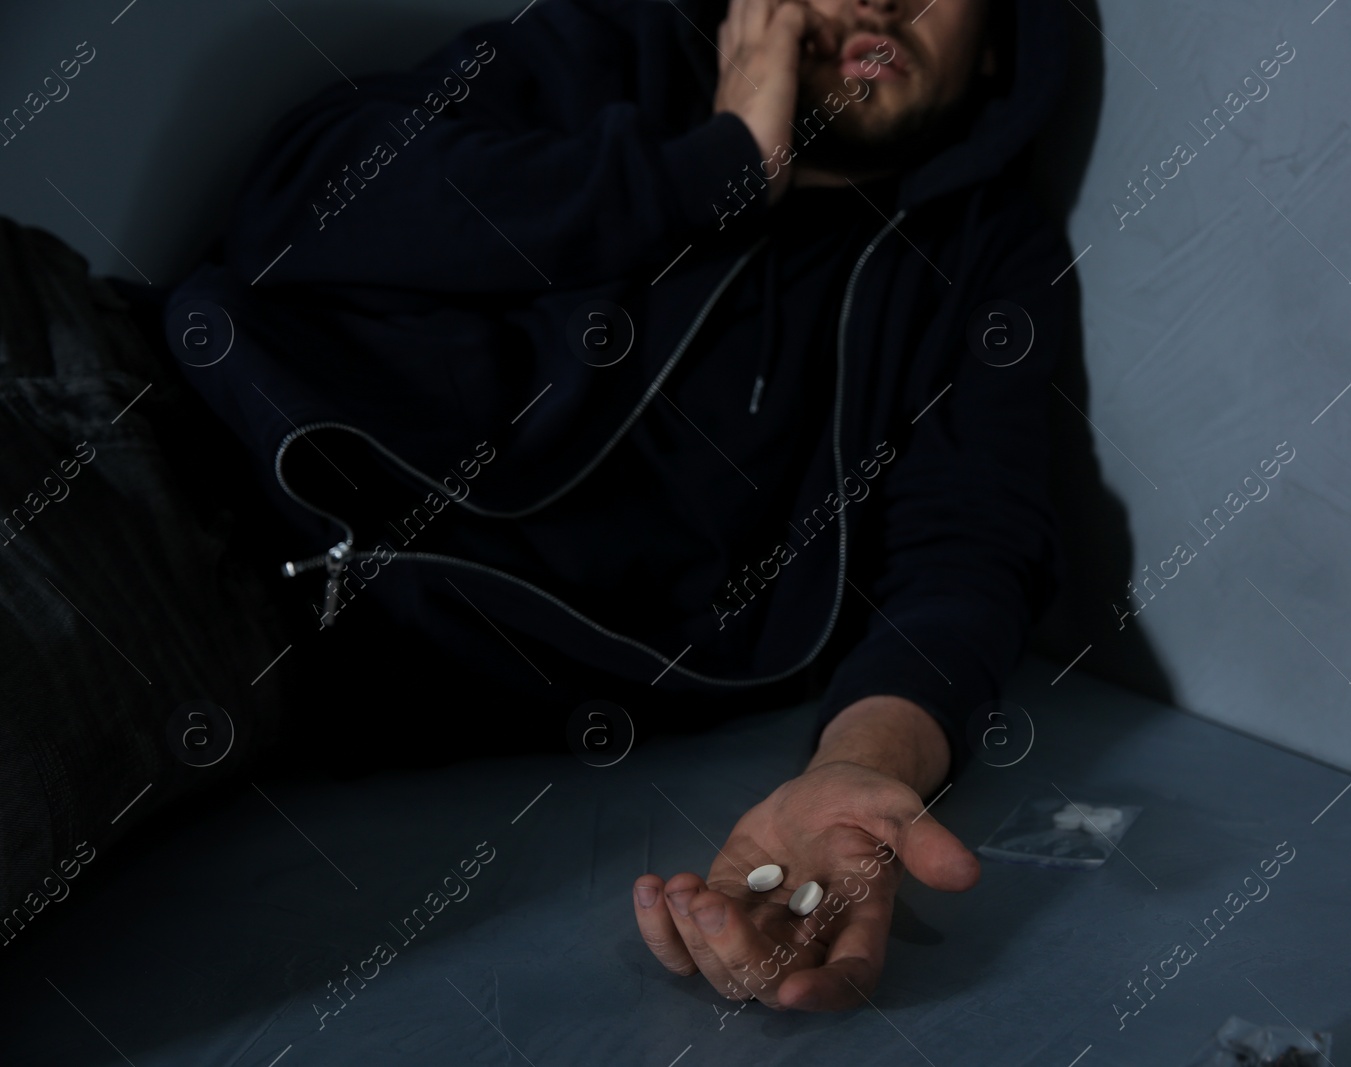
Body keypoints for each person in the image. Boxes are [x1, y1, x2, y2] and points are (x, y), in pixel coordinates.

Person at [1, 0, 1078, 1011]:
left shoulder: (977, 258)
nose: (883, 0)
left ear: (998, 41)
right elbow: (307, 193)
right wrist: (718, 168)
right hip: (98, 350)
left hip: (209, 570)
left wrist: (862, 768)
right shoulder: (616, 51)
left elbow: (968, 547)